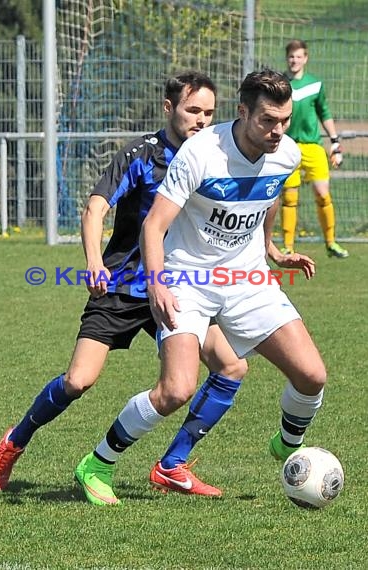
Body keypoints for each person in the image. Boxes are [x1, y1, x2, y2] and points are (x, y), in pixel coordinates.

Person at [0, 71, 248, 496]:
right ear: (169, 109)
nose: (201, 120)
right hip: (122, 287)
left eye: (209, 113)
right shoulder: (142, 155)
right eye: (192, 110)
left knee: (231, 366)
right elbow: (94, 209)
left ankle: (173, 464)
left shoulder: (215, 159)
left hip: (179, 290)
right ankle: (13, 442)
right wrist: (93, 262)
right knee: (78, 381)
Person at [74, 69, 324, 506]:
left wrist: (273, 250)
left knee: (312, 376)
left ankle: (286, 445)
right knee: (176, 389)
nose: (277, 131)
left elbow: (264, 199)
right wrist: (156, 285)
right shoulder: (201, 152)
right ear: (243, 112)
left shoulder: (286, 155)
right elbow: (154, 225)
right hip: (187, 278)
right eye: (268, 120)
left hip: (246, 279)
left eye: (284, 120)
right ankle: (97, 463)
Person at [281, 39, 349, 258]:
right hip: (287, 147)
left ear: (305, 58)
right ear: (287, 58)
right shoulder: (280, 84)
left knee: (322, 193)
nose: (294, 60)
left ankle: (331, 242)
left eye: (299, 56)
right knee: (289, 197)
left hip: (313, 147)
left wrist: (335, 141)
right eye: (291, 56)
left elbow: (325, 113)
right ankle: (288, 246)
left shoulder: (315, 84)